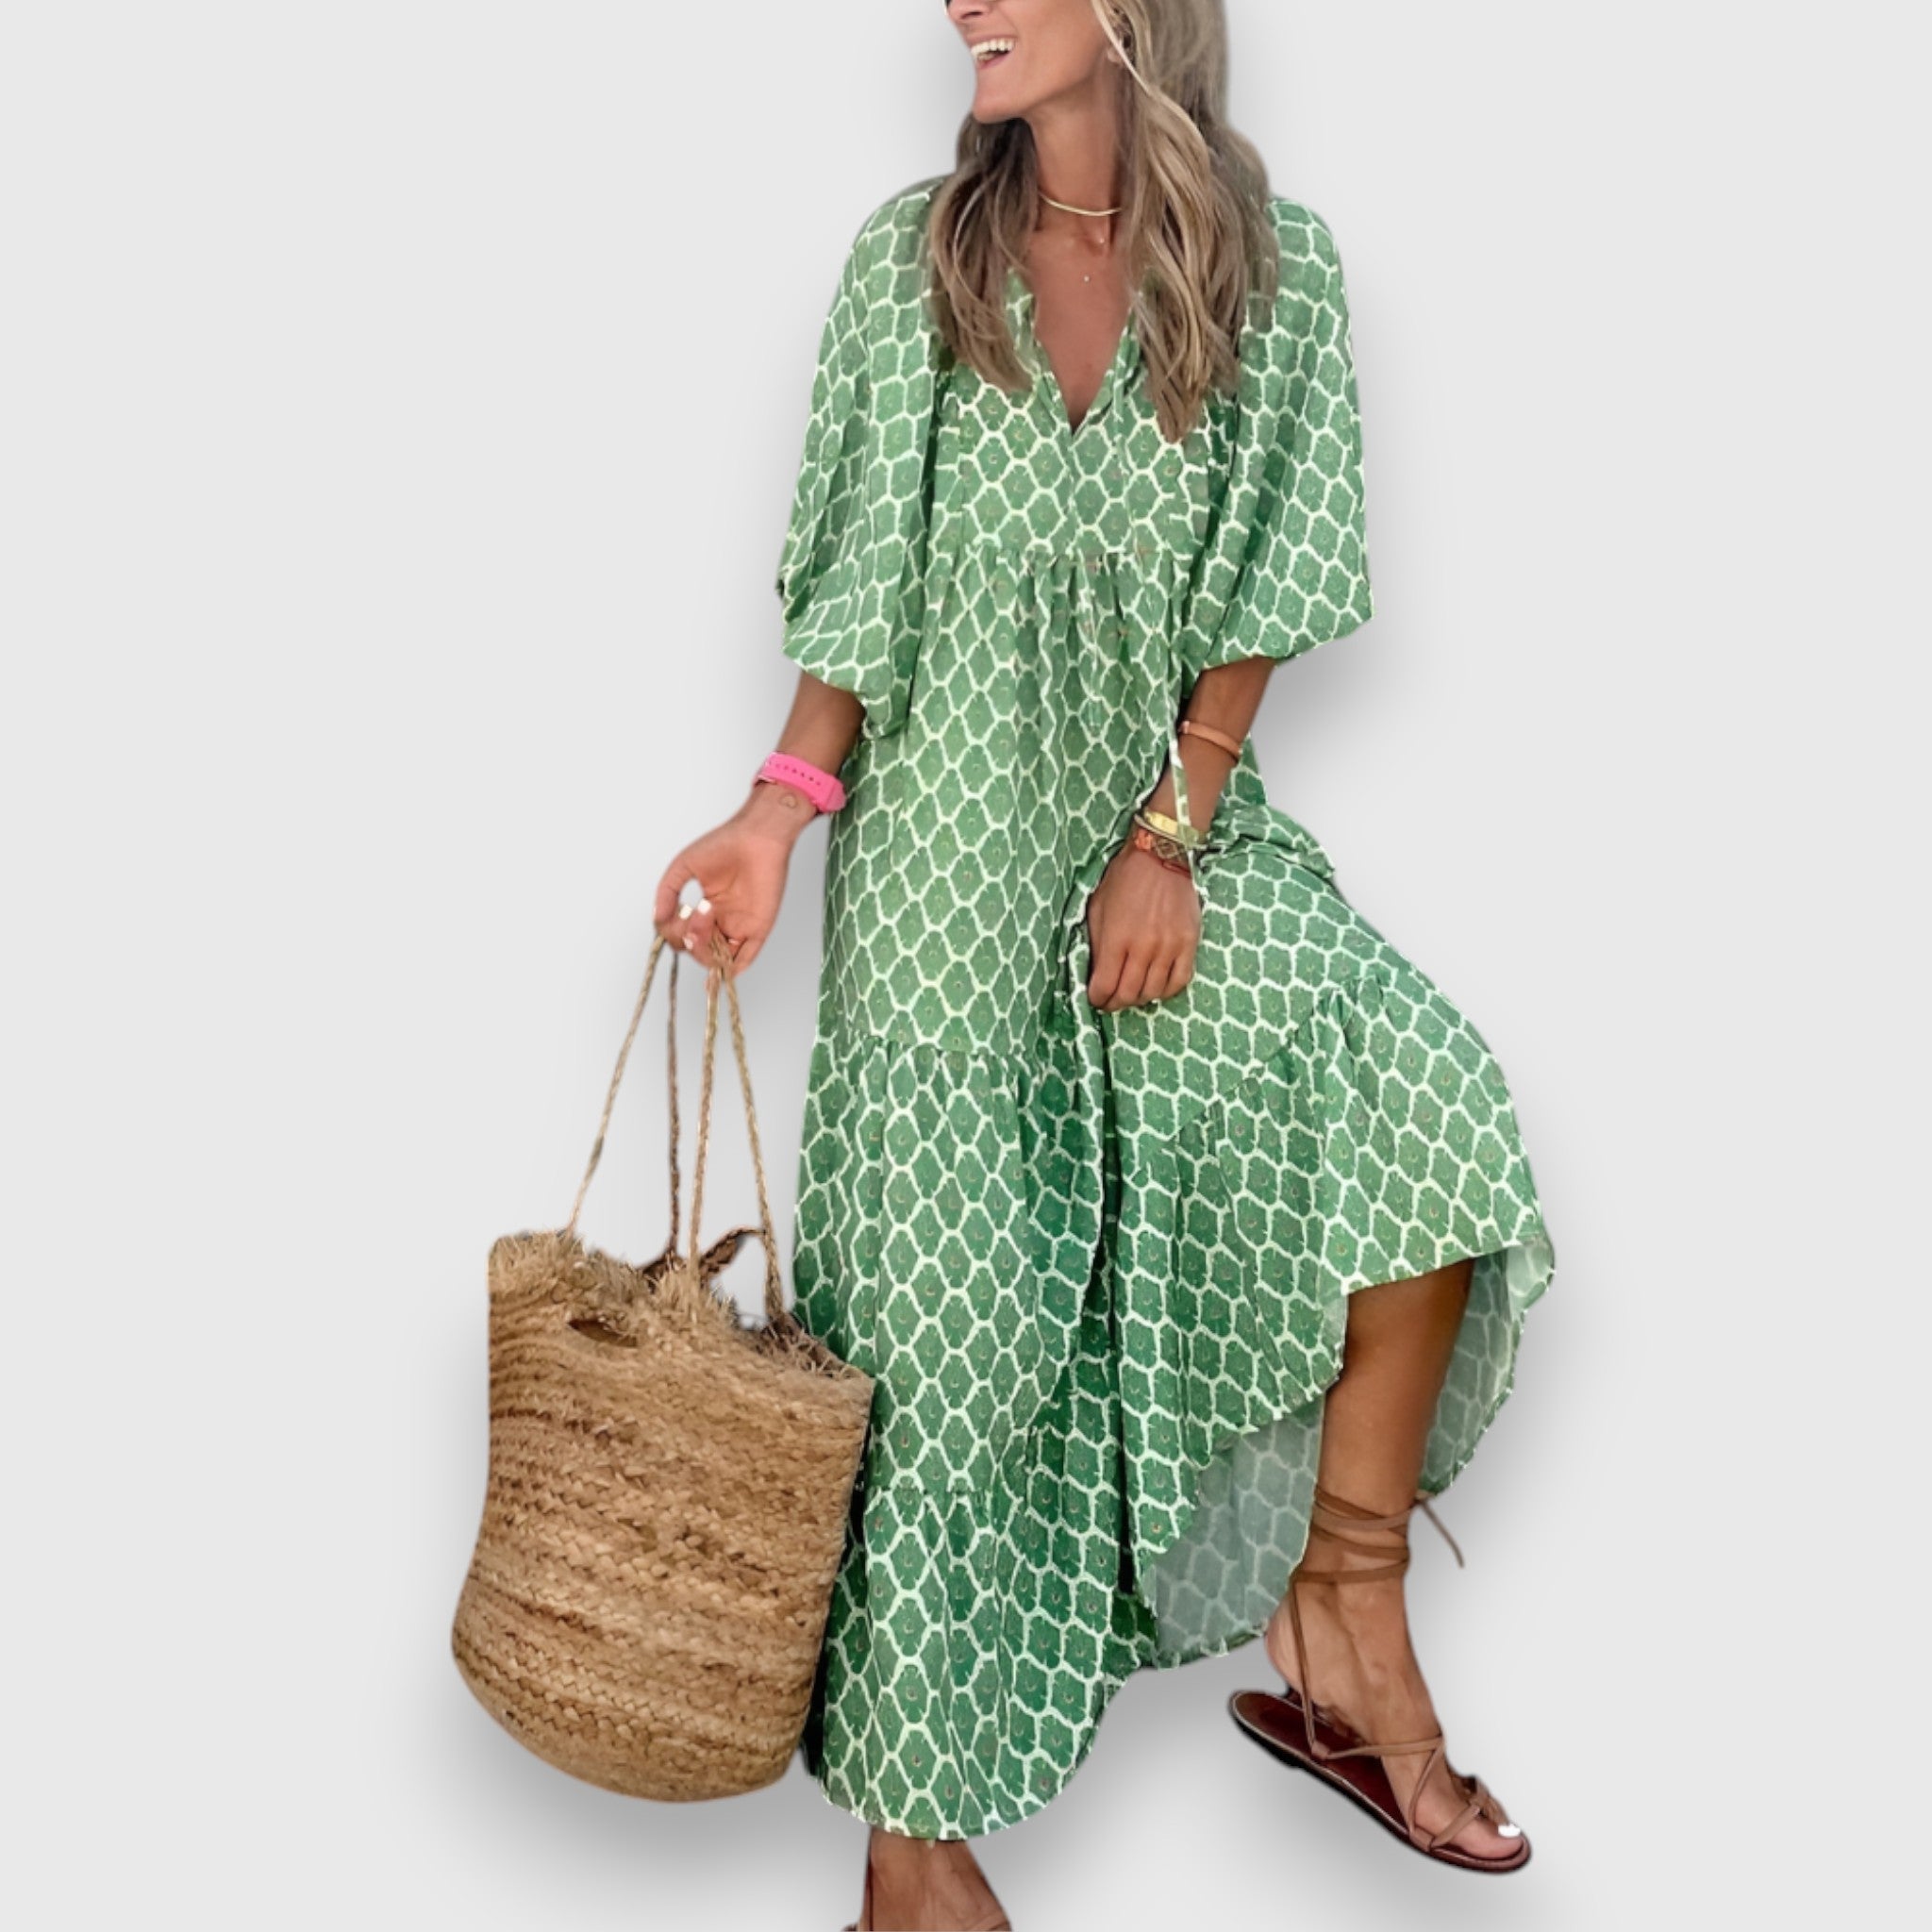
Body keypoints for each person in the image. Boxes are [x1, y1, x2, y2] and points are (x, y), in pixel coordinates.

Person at [653, 2, 1557, 1923]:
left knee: (1418, 1106)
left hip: (1165, 842)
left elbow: (1268, 577)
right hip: (945, 885)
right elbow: (859, 601)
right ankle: (912, 1865)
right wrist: (772, 813)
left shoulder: (1273, 268)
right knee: (941, 1356)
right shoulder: (915, 262)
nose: (961, 0)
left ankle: (1346, 1615)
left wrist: (1169, 836)